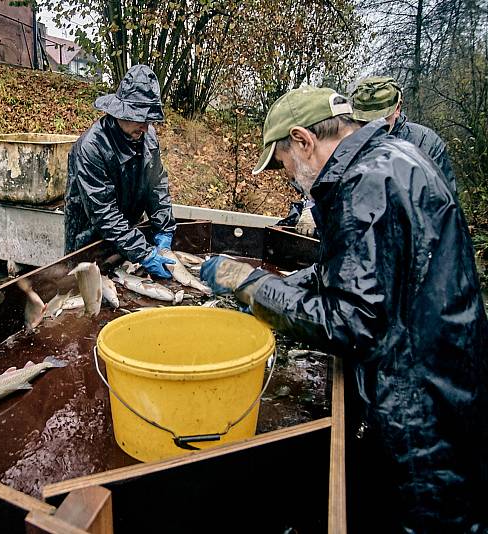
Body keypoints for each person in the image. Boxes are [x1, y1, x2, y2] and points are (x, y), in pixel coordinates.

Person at [200, 86, 487, 532]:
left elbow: (351, 321)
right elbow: (344, 270)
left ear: (303, 140)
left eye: (283, 164)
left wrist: (252, 284)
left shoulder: (366, 185)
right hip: (445, 376)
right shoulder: (391, 159)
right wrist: (275, 292)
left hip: (420, 409)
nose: (288, 176)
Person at [64, 64, 177, 278]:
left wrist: (164, 227)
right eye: (140, 119)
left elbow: (157, 185)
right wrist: (143, 252)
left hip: (127, 236)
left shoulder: (148, 136)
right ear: (121, 112)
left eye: (149, 120)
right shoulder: (91, 147)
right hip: (90, 240)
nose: (146, 127)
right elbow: (103, 212)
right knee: (87, 302)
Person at [351, 75, 457, 194]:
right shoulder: (346, 145)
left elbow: (443, 200)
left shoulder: (425, 142)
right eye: (364, 121)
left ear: (398, 108)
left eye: (380, 120)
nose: (372, 127)